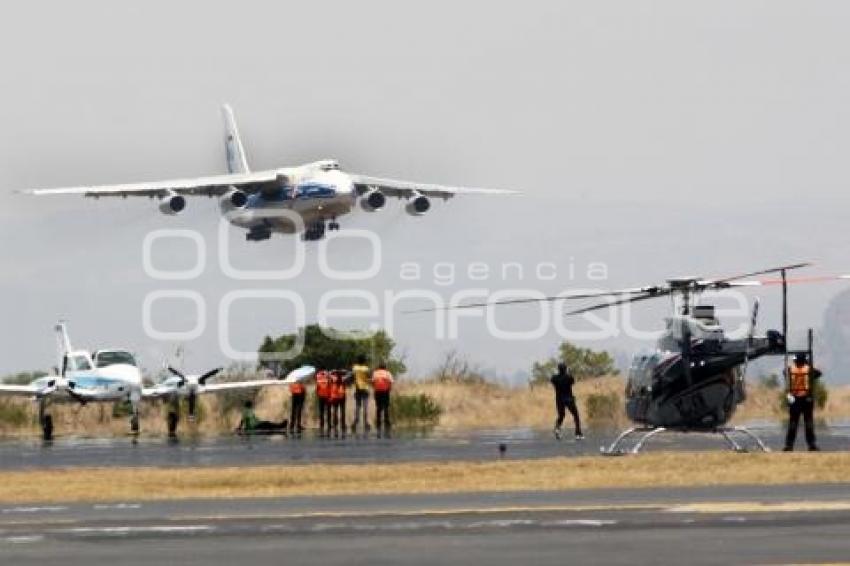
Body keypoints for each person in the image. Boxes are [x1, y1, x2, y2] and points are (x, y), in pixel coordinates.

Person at [784, 353, 822, 451]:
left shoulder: (790, 369)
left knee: (793, 423)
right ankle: (811, 444)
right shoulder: (808, 369)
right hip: (806, 399)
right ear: (805, 360)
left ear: (796, 360)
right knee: (808, 423)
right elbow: (819, 373)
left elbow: (784, 372)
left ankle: (789, 445)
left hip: (794, 399)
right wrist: (808, 364)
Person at [551, 362, 583, 440]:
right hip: (569, 399)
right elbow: (572, 382)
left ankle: (557, 428)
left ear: (558, 369)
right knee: (576, 415)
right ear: (566, 369)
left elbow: (552, 381)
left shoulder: (554, 378)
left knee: (561, 416)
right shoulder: (569, 377)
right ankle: (578, 433)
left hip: (559, 400)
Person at [351, 355, 372, 433]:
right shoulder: (366, 369)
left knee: (358, 407)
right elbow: (369, 377)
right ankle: (366, 423)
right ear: (364, 361)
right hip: (365, 389)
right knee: (365, 407)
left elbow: (352, 376)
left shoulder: (355, 367)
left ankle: (355, 422)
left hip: (358, 389)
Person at [372, 363, 394, 436]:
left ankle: (378, 423)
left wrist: (375, 388)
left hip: (377, 391)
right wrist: (389, 389)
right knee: (386, 407)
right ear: (385, 367)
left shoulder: (375, 373)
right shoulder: (387, 373)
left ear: (379, 367)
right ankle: (387, 423)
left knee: (378, 408)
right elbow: (391, 381)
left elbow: (373, 382)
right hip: (385, 391)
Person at [329, 369, 348, 437]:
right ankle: (343, 424)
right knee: (342, 411)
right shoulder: (343, 378)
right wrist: (344, 371)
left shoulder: (333, 378)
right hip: (342, 395)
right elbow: (349, 374)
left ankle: (335, 424)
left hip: (335, 396)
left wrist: (333, 371)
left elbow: (329, 374)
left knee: (335, 410)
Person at [315, 369, 332, 436]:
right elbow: (330, 386)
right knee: (328, 411)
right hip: (327, 395)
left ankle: (321, 424)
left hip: (320, 395)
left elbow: (317, 387)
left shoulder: (318, 376)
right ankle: (329, 424)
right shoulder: (327, 376)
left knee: (321, 411)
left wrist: (317, 393)